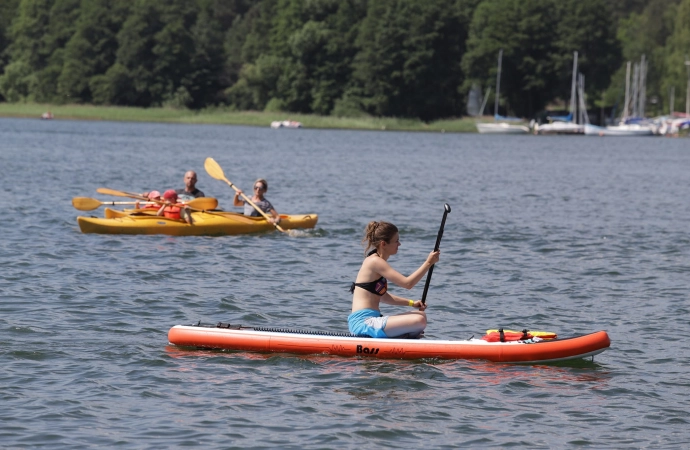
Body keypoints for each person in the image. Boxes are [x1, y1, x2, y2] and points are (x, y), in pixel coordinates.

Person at [348, 221, 440, 339]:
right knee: (420, 320)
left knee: (420, 315)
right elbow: (408, 284)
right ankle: (403, 338)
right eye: (396, 241)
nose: (399, 244)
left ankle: (403, 338)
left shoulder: (376, 261)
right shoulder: (374, 261)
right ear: (383, 244)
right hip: (363, 324)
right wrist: (428, 263)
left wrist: (412, 303)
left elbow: (383, 296)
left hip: (373, 320)